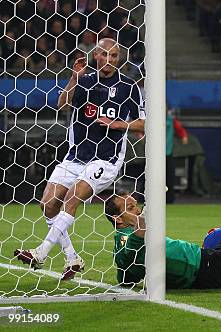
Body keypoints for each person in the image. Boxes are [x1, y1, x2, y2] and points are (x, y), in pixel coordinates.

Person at [14, 38, 146, 280]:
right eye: (105, 54)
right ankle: (72, 258)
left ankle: (40, 253)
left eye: (114, 56)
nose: (109, 60)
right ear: (96, 55)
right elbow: (61, 104)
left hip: (106, 158)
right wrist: (74, 77)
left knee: (72, 197)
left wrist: (120, 123)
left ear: (119, 58)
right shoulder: (85, 82)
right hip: (76, 156)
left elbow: (143, 122)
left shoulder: (129, 87)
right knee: (48, 204)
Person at [166, 108, 189, 204]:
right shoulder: (151, 118)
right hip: (152, 154)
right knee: (148, 176)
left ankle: (170, 199)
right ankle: (144, 198)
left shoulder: (171, 120)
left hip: (167, 152)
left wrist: (184, 136)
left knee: (170, 176)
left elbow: (180, 129)